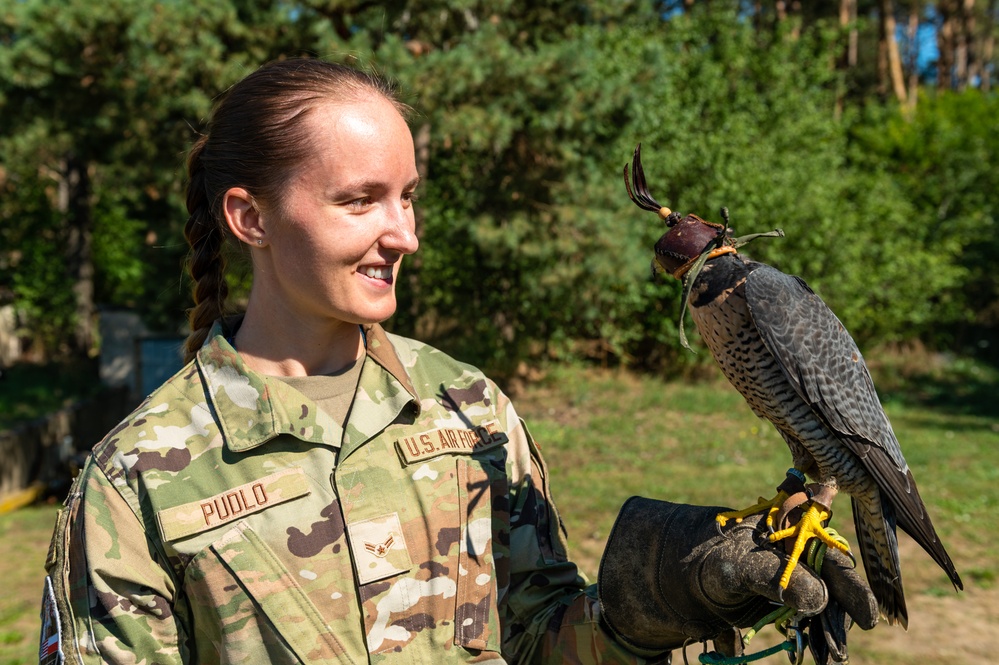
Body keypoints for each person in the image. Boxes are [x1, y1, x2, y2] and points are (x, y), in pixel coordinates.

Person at [40, 58, 876, 664]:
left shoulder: (468, 409)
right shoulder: (138, 479)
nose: (402, 233)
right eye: (359, 199)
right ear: (249, 218)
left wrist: (651, 608)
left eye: (406, 196)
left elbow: (540, 641)